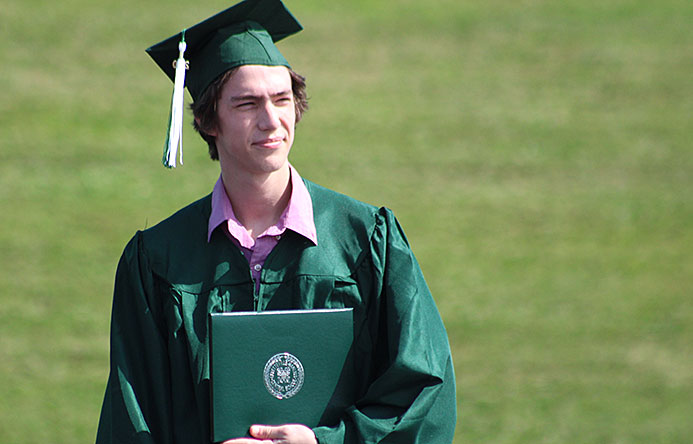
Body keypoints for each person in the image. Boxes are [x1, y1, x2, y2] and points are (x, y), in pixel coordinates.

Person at [95, 0, 457, 443]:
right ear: (209, 120)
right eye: (247, 103)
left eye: (282, 99)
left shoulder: (366, 242)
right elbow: (131, 422)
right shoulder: (158, 261)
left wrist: (323, 442)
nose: (271, 121)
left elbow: (423, 391)